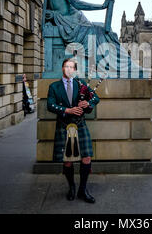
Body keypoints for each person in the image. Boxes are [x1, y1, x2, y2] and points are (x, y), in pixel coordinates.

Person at [47, 58, 100, 203]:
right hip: (64, 125)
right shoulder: (54, 87)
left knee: (87, 157)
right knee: (67, 161)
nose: (68, 69)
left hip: (80, 124)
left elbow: (96, 98)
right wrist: (67, 110)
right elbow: (50, 105)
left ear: (75, 70)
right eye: (66, 66)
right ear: (62, 69)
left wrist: (87, 102)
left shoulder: (81, 84)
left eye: (71, 67)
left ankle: (83, 189)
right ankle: (71, 187)